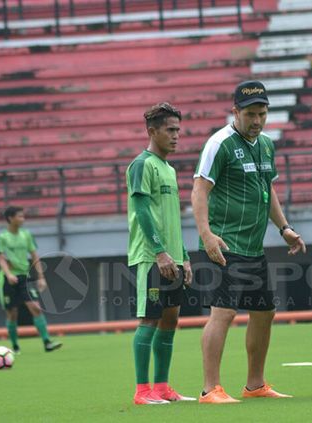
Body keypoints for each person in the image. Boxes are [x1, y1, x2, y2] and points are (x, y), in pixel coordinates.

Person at [192, 80, 306, 404]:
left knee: (264, 312)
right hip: (224, 246)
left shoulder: (267, 144)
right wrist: (207, 236)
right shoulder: (220, 143)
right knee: (223, 314)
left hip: (253, 248)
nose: (257, 121)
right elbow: (199, 191)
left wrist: (284, 228)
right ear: (235, 112)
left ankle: (255, 384)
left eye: (262, 113)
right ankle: (209, 389)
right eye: (251, 114)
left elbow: (266, 190)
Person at [127, 103, 195, 405]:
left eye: (178, 130)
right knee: (149, 320)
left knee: (170, 320)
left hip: (172, 258)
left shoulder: (169, 168)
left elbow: (172, 217)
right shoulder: (142, 164)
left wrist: (183, 257)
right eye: (170, 130)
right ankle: (142, 391)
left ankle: (163, 387)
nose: (176, 136)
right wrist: (159, 252)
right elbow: (141, 209)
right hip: (151, 256)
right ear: (152, 131)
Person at [0, 206, 62, 354]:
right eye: (20, 216)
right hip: (8, 279)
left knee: (36, 308)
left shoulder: (26, 235)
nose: (22, 219)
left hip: (24, 277)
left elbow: (34, 256)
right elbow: (1, 259)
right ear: (10, 218)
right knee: (12, 314)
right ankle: (15, 346)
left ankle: (47, 342)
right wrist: (8, 274)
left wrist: (41, 277)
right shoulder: (2, 237)